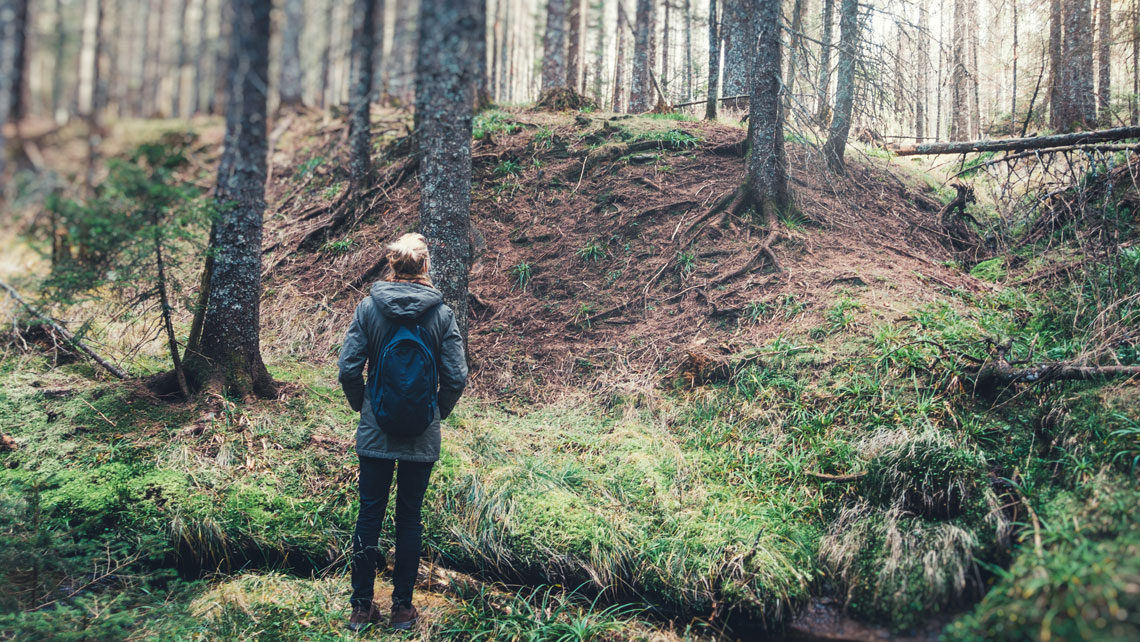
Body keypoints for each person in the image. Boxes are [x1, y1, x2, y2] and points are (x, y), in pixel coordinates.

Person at [337, 233, 468, 632]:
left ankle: (361, 609)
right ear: (425, 266)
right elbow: (457, 376)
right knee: (409, 518)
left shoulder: (368, 309)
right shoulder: (442, 315)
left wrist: (364, 406)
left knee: (369, 515)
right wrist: (436, 412)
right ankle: (402, 611)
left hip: (376, 430)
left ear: (392, 266)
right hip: (421, 433)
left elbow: (347, 369)